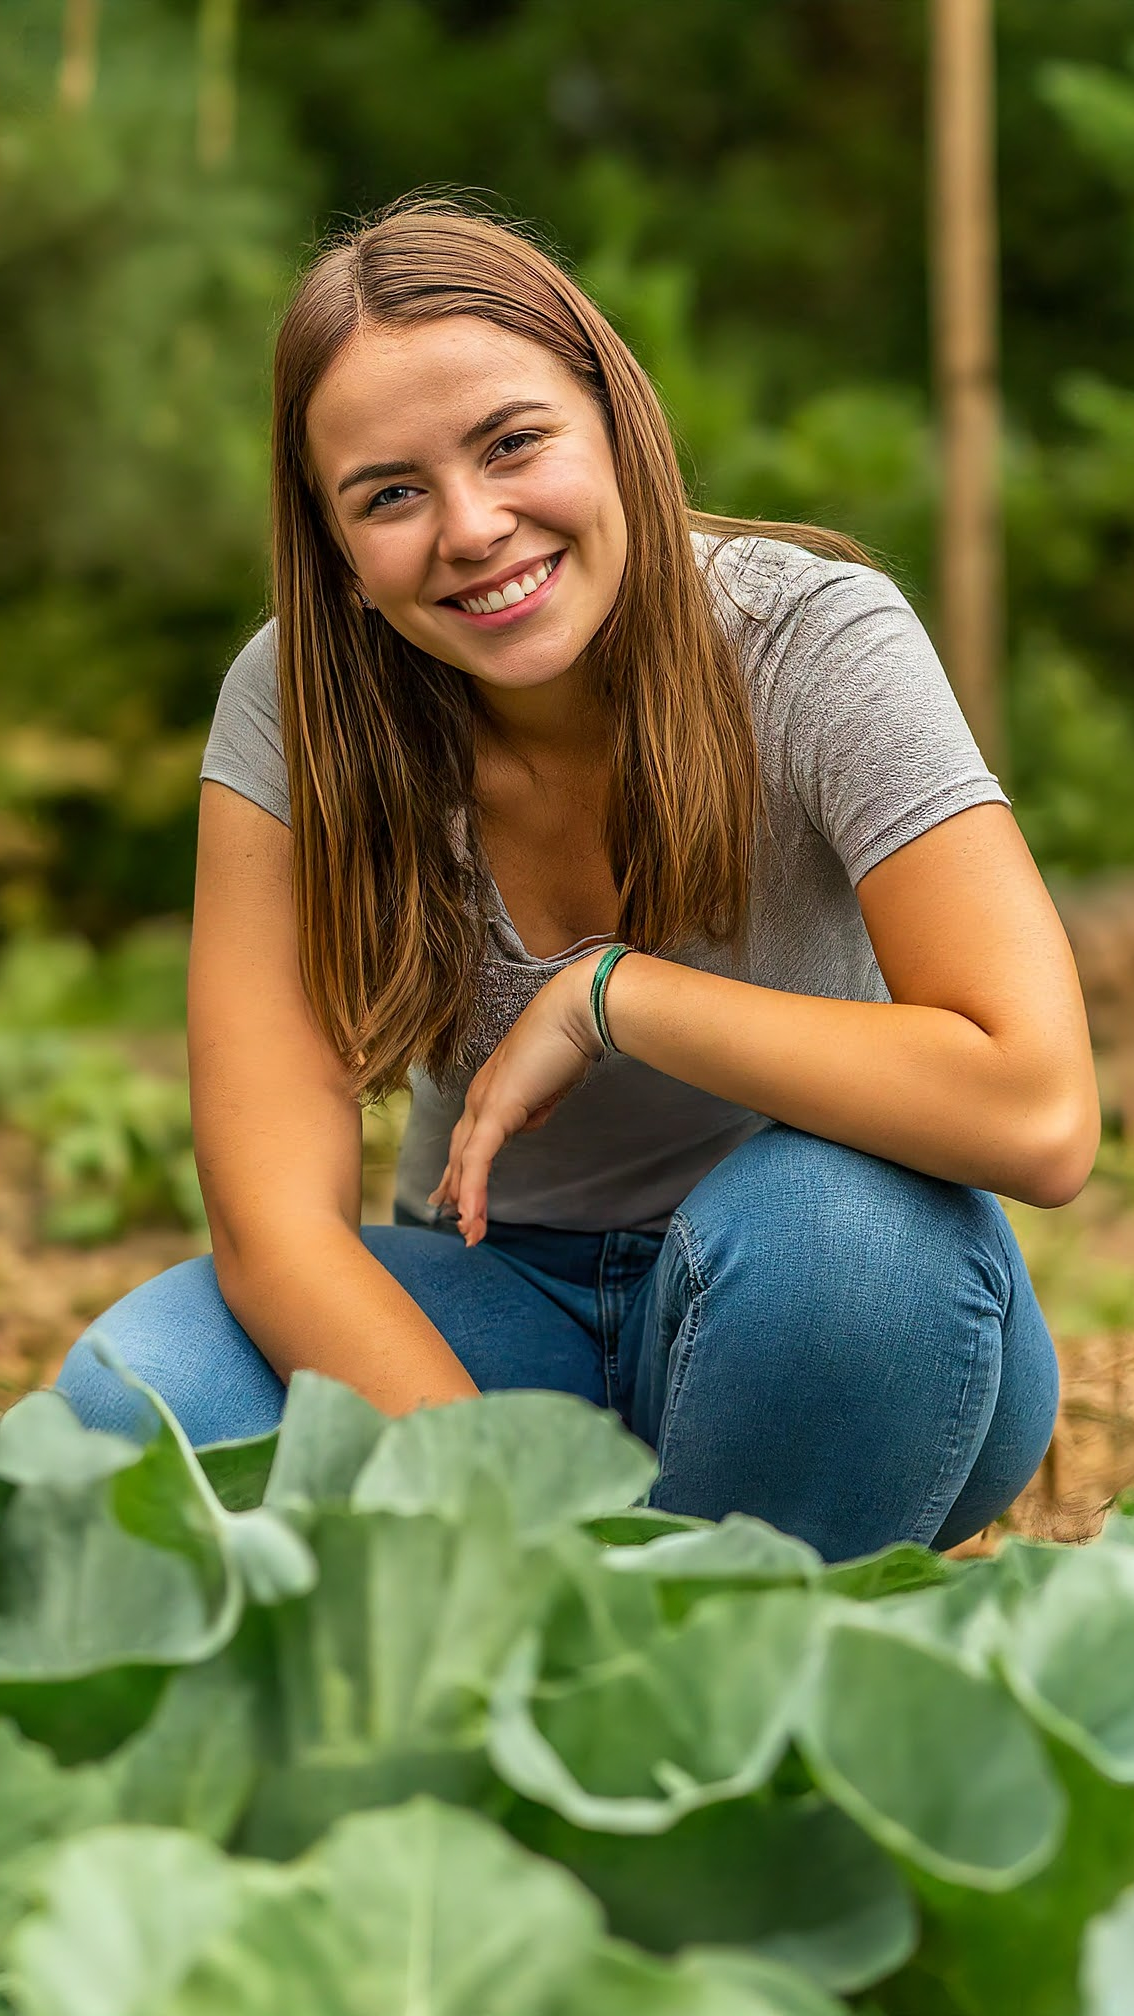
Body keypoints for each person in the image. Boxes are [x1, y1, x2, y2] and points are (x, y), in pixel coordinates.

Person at [52, 195, 1099, 1562]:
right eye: (388, 495)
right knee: (134, 1402)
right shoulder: (298, 708)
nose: (473, 527)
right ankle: (601, 1654)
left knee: (844, 1238)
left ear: (615, 423)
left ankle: (732, 1652)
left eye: (510, 443)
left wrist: (616, 996)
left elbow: (1036, 1113)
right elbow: (275, 1230)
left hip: (835, 1313)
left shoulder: (812, 642)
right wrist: (509, 1528)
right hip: (498, 1305)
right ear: (340, 559)